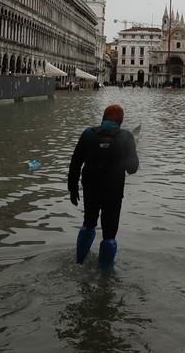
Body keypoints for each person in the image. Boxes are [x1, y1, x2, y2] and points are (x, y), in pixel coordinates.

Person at [68, 104, 140, 269]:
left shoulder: (88, 133)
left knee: (88, 223)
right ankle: (105, 273)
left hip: (90, 188)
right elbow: (132, 169)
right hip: (113, 191)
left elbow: (75, 163)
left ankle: (79, 262)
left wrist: (72, 188)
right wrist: (132, 150)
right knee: (109, 233)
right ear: (121, 121)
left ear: (103, 118)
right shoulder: (126, 137)